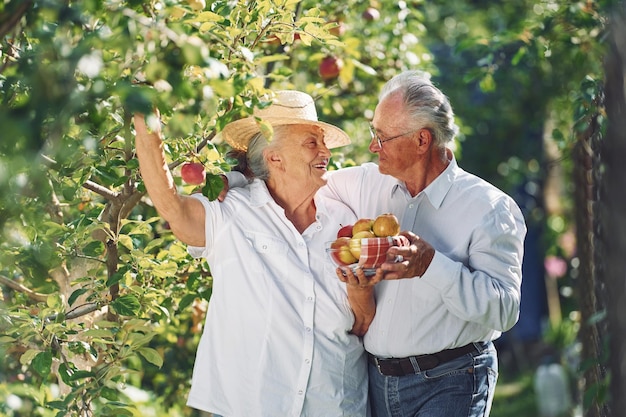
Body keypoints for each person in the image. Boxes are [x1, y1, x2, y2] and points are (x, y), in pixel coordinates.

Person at [133, 90, 375, 417]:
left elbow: (361, 325)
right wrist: (145, 120)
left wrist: (360, 291)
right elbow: (172, 209)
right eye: (312, 142)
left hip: (334, 405)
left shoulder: (347, 221)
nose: (326, 152)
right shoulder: (232, 212)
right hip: (250, 407)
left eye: (323, 142)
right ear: (274, 158)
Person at [317, 71, 527, 417]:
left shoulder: (489, 207)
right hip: (377, 382)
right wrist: (229, 181)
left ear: (422, 141)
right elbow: (306, 184)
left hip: (452, 380)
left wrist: (431, 265)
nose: (372, 147)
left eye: (382, 137)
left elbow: (504, 309)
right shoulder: (368, 182)